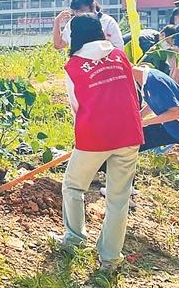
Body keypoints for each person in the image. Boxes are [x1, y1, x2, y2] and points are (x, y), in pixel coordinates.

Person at [58, 14, 143, 269]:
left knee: (73, 186)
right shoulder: (120, 56)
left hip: (94, 136)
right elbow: (131, 92)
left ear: (76, 36)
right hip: (129, 133)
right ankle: (109, 259)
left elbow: (76, 107)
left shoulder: (73, 66)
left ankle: (74, 238)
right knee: (118, 200)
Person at [132, 65, 179, 219]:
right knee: (136, 141)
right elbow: (153, 102)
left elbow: (175, 113)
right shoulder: (147, 79)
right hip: (177, 130)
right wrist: (139, 116)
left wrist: (146, 122)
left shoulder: (154, 81)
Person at [53, 0, 124, 51]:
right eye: (75, 11)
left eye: (81, 11)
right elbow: (58, 44)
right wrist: (57, 21)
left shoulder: (108, 22)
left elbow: (119, 48)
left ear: (92, 7)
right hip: (81, 65)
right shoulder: (72, 23)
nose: (78, 14)